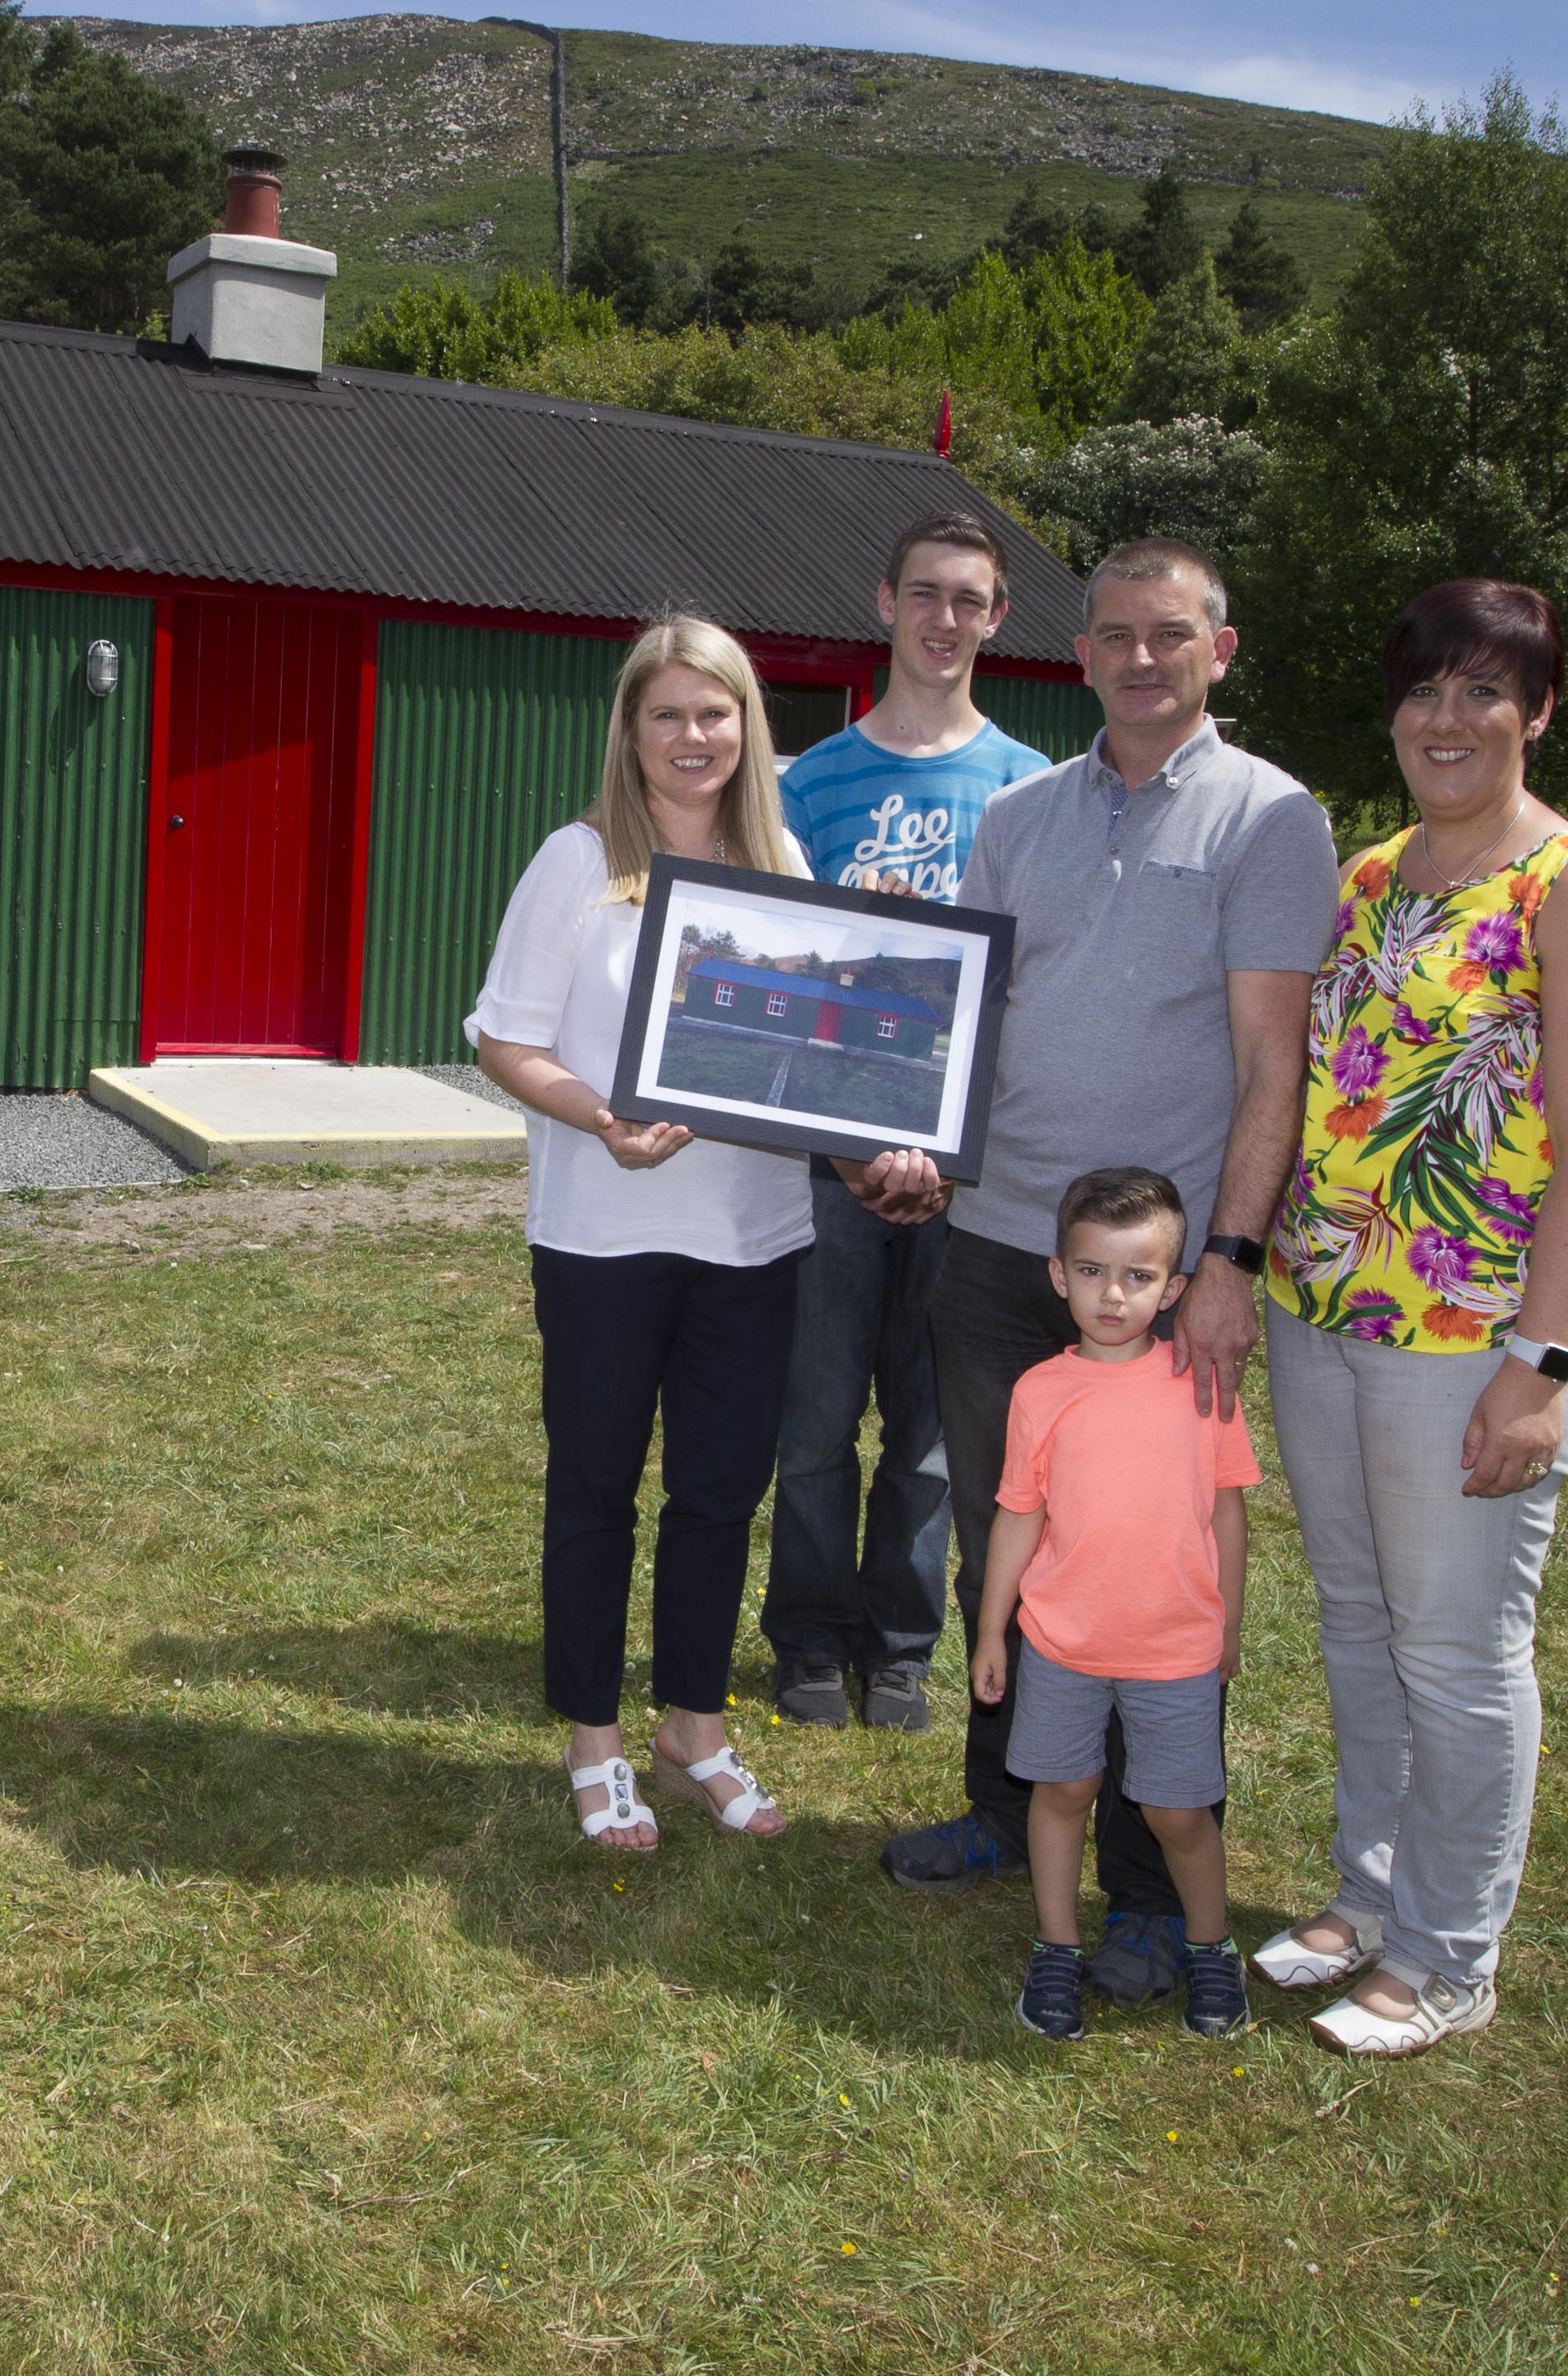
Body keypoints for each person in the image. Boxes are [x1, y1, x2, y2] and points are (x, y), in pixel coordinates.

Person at [858, 537, 1339, 2014]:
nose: (1142, 657)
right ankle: (1010, 1810)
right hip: (998, 1247)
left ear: (1220, 649)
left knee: (1144, 1568)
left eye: (1171, 634)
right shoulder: (1015, 815)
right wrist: (915, 1145)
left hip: (1155, 1280)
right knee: (1021, 1543)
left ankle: (1141, 1880)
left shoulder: (1273, 819)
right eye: (1116, 633)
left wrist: (1226, 1261)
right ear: (1076, 653)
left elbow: (1274, 1059)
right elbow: (971, 1016)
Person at [1254, 578, 1568, 2056]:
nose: (1448, 717)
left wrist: (1539, 1367)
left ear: (1537, 710)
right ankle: (1368, 1899)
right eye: (1426, 687)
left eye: (1485, 689)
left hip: (1474, 1340)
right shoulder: (1366, 878)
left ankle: (1446, 1953)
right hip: (1325, 1312)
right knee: (1360, 1628)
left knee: (1456, 1645)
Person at [470, 616, 816, 1850]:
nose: (691, 737)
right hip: (602, 1234)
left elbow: (813, 1046)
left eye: (712, 713)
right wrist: (596, 1113)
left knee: (719, 1493)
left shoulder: (783, 857)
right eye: (665, 714)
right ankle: (593, 1741)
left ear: (745, 727)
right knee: (596, 1489)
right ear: (629, 728)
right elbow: (501, 1037)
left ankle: (692, 1727)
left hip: (753, 1234)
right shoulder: (575, 861)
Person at [763, 512, 1049, 1734]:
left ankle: (901, 1645)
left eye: (968, 600)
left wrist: (942, 1151)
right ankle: (809, 1639)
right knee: (815, 1419)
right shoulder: (803, 784)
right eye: (923, 593)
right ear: (882, 601)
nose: (943, 618)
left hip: (965, 1172)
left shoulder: (1029, 788)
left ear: (996, 619)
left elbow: (1036, 983)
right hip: (826, 1165)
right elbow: (776, 972)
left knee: (934, 1437)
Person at [971, 1168, 1258, 2042]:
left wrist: (1229, 1624)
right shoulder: (1040, 1392)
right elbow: (1018, 1515)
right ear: (1060, 1274)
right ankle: (1056, 1947)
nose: (1112, 1294)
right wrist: (992, 1629)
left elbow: (1227, 1511)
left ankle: (1211, 1948)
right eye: (1092, 1270)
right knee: (1061, 1789)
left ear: (1173, 1289)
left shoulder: (1200, 1384)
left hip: (1175, 1646)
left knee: (1178, 1811)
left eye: (1138, 1277)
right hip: (1061, 1642)